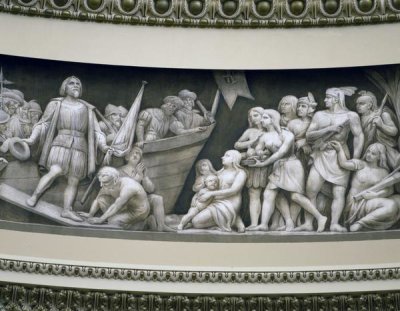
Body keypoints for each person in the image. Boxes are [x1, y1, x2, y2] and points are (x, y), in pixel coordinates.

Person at [23, 76, 111, 222]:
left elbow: (96, 131)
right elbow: (43, 123)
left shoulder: (87, 108)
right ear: (65, 87)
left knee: (74, 180)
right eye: (72, 83)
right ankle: (34, 196)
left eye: (78, 84)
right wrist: (32, 138)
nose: (75, 86)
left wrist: (103, 145)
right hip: (60, 143)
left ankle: (66, 210)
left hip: (80, 147)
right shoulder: (56, 104)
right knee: (55, 170)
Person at [248, 109, 327, 232]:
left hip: (292, 166)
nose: (261, 120)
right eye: (262, 117)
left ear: (273, 119)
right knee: (269, 193)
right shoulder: (264, 136)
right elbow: (259, 148)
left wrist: (263, 163)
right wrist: (259, 153)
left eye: (265, 118)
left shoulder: (287, 134)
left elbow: (280, 153)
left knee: (295, 196)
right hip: (278, 167)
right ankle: (265, 224)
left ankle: (320, 217)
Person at [330, 141, 400, 231]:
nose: (369, 155)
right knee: (391, 205)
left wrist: (375, 195)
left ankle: (362, 223)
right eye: (368, 151)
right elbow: (344, 164)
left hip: (371, 200)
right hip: (356, 203)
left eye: (373, 154)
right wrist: (339, 149)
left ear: (379, 156)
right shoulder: (360, 165)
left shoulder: (383, 172)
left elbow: (389, 191)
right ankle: (359, 223)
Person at [118, 146, 173, 232]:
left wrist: (145, 176)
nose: (135, 155)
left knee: (157, 199)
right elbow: (126, 189)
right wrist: (138, 177)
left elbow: (150, 189)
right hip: (128, 202)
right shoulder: (119, 171)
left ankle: (161, 226)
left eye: (138, 154)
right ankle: (147, 222)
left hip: (141, 199)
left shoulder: (141, 171)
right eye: (133, 153)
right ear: (126, 157)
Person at [191, 150, 247, 232]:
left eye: (227, 156)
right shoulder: (220, 172)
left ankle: (233, 219)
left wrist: (210, 194)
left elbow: (233, 190)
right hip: (215, 201)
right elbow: (208, 186)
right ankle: (229, 221)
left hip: (230, 203)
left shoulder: (240, 173)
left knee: (195, 222)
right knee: (196, 223)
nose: (222, 157)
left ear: (233, 159)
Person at [81, 166, 150, 228]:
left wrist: (101, 219)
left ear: (115, 180)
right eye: (100, 182)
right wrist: (90, 214)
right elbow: (98, 199)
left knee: (113, 221)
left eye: (105, 182)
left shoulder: (128, 187)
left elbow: (116, 206)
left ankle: (144, 223)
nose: (101, 185)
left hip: (138, 211)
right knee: (101, 199)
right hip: (125, 207)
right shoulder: (108, 184)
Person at [234, 106, 269, 229]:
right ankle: (254, 223)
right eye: (251, 116)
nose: (253, 118)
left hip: (269, 165)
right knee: (254, 193)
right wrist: (251, 142)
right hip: (253, 165)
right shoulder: (250, 131)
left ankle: (273, 224)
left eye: (256, 115)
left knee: (273, 195)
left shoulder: (271, 131)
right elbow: (237, 144)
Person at [135, 96, 206, 145]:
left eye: (174, 107)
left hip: (158, 143)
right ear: (165, 104)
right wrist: (140, 141)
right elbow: (140, 125)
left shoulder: (171, 119)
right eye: (170, 105)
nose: (172, 108)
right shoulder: (150, 112)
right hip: (147, 141)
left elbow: (180, 131)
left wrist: (195, 130)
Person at [356, 91, 400, 169]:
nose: (358, 106)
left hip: (384, 153)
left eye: (362, 103)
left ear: (369, 105)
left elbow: (394, 131)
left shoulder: (383, 114)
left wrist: (381, 126)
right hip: (367, 153)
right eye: (357, 104)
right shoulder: (358, 119)